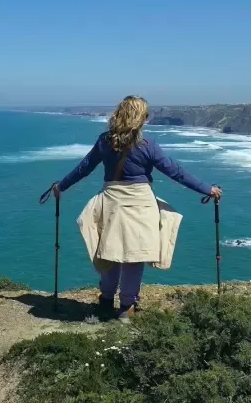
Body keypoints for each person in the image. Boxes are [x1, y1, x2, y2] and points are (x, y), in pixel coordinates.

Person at [52, 95, 221, 322]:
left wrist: (61, 186)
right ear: (140, 118)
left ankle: (106, 301)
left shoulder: (104, 142)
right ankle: (126, 307)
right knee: (134, 256)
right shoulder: (147, 145)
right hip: (141, 204)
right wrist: (207, 189)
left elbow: (84, 168)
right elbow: (176, 172)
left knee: (110, 251)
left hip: (112, 202)